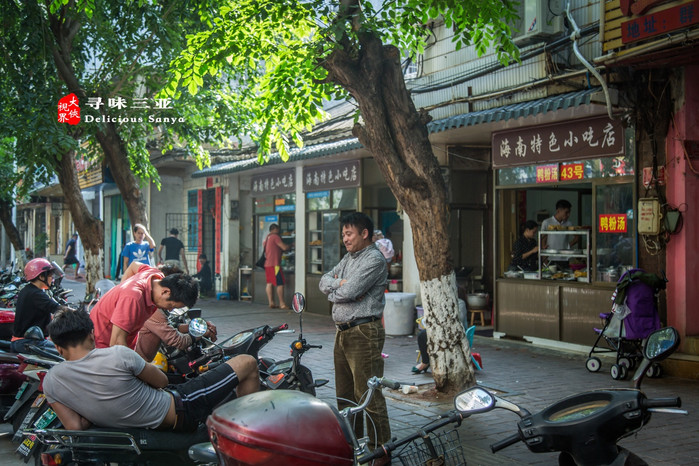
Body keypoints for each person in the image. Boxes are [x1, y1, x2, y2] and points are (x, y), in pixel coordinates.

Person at [42, 308, 259, 432]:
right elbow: (162, 381)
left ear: (58, 347)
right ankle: (246, 437)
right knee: (246, 362)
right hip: (178, 409)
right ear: (91, 334)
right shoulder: (118, 354)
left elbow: (75, 427)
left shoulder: (51, 381)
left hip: (130, 428)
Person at [319, 212, 390, 455]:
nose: (345, 239)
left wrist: (341, 288)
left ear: (364, 233)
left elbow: (350, 290)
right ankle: (353, 445)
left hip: (363, 332)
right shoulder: (349, 258)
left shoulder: (374, 259)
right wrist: (339, 285)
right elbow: (324, 281)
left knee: (368, 395)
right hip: (343, 333)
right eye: (343, 235)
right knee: (346, 396)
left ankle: (381, 450)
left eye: (349, 234)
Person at [90, 262, 199, 349]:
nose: (170, 310)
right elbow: (117, 344)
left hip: (123, 346)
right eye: (171, 305)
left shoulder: (154, 275)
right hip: (102, 347)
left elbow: (133, 266)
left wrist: (121, 289)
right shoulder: (133, 298)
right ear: (165, 292)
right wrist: (123, 293)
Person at [11, 258, 67, 353]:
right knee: (66, 351)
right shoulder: (36, 294)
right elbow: (58, 309)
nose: (52, 279)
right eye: (50, 275)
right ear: (41, 277)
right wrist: (78, 314)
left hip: (25, 341)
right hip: (27, 343)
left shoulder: (28, 290)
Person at [134, 308, 217, 362]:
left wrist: (198, 326)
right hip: (138, 364)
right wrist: (201, 333)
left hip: (142, 361)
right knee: (163, 382)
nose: (172, 308)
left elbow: (170, 327)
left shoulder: (156, 308)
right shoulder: (153, 311)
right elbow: (179, 341)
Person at [541, 199, 577, 265]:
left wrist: (568, 246)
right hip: (550, 257)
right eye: (566, 212)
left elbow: (577, 237)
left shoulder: (569, 223)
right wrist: (544, 257)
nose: (568, 215)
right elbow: (543, 240)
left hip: (564, 258)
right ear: (558, 211)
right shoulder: (547, 222)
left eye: (569, 212)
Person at [263, 223, 291, 309]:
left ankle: (271, 302)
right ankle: (282, 304)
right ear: (275, 229)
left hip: (267, 264)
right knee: (280, 283)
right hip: (275, 264)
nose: (278, 232)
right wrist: (290, 245)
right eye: (278, 230)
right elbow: (283, 247)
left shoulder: (267, 238)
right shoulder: (275, 237)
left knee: (269, 283)